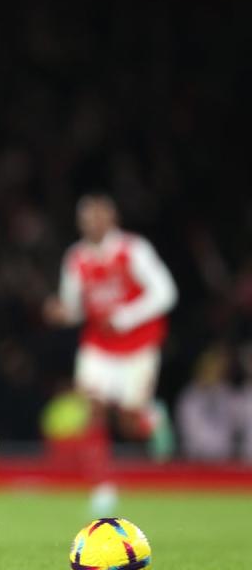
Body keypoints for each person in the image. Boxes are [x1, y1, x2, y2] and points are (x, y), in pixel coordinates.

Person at [43, 194, 177, 511]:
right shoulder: (75, 257)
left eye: (97, 216)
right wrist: (61, 312)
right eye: (86, 218)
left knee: (129, 422)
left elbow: (166, 292)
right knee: (93, 408)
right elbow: (76, 308)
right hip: (99, 346)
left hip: (138, 345)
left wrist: (126, 316)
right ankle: (103, 486)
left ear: (111, 218)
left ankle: (151, 417)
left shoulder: (134, 249)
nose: (91, 223)